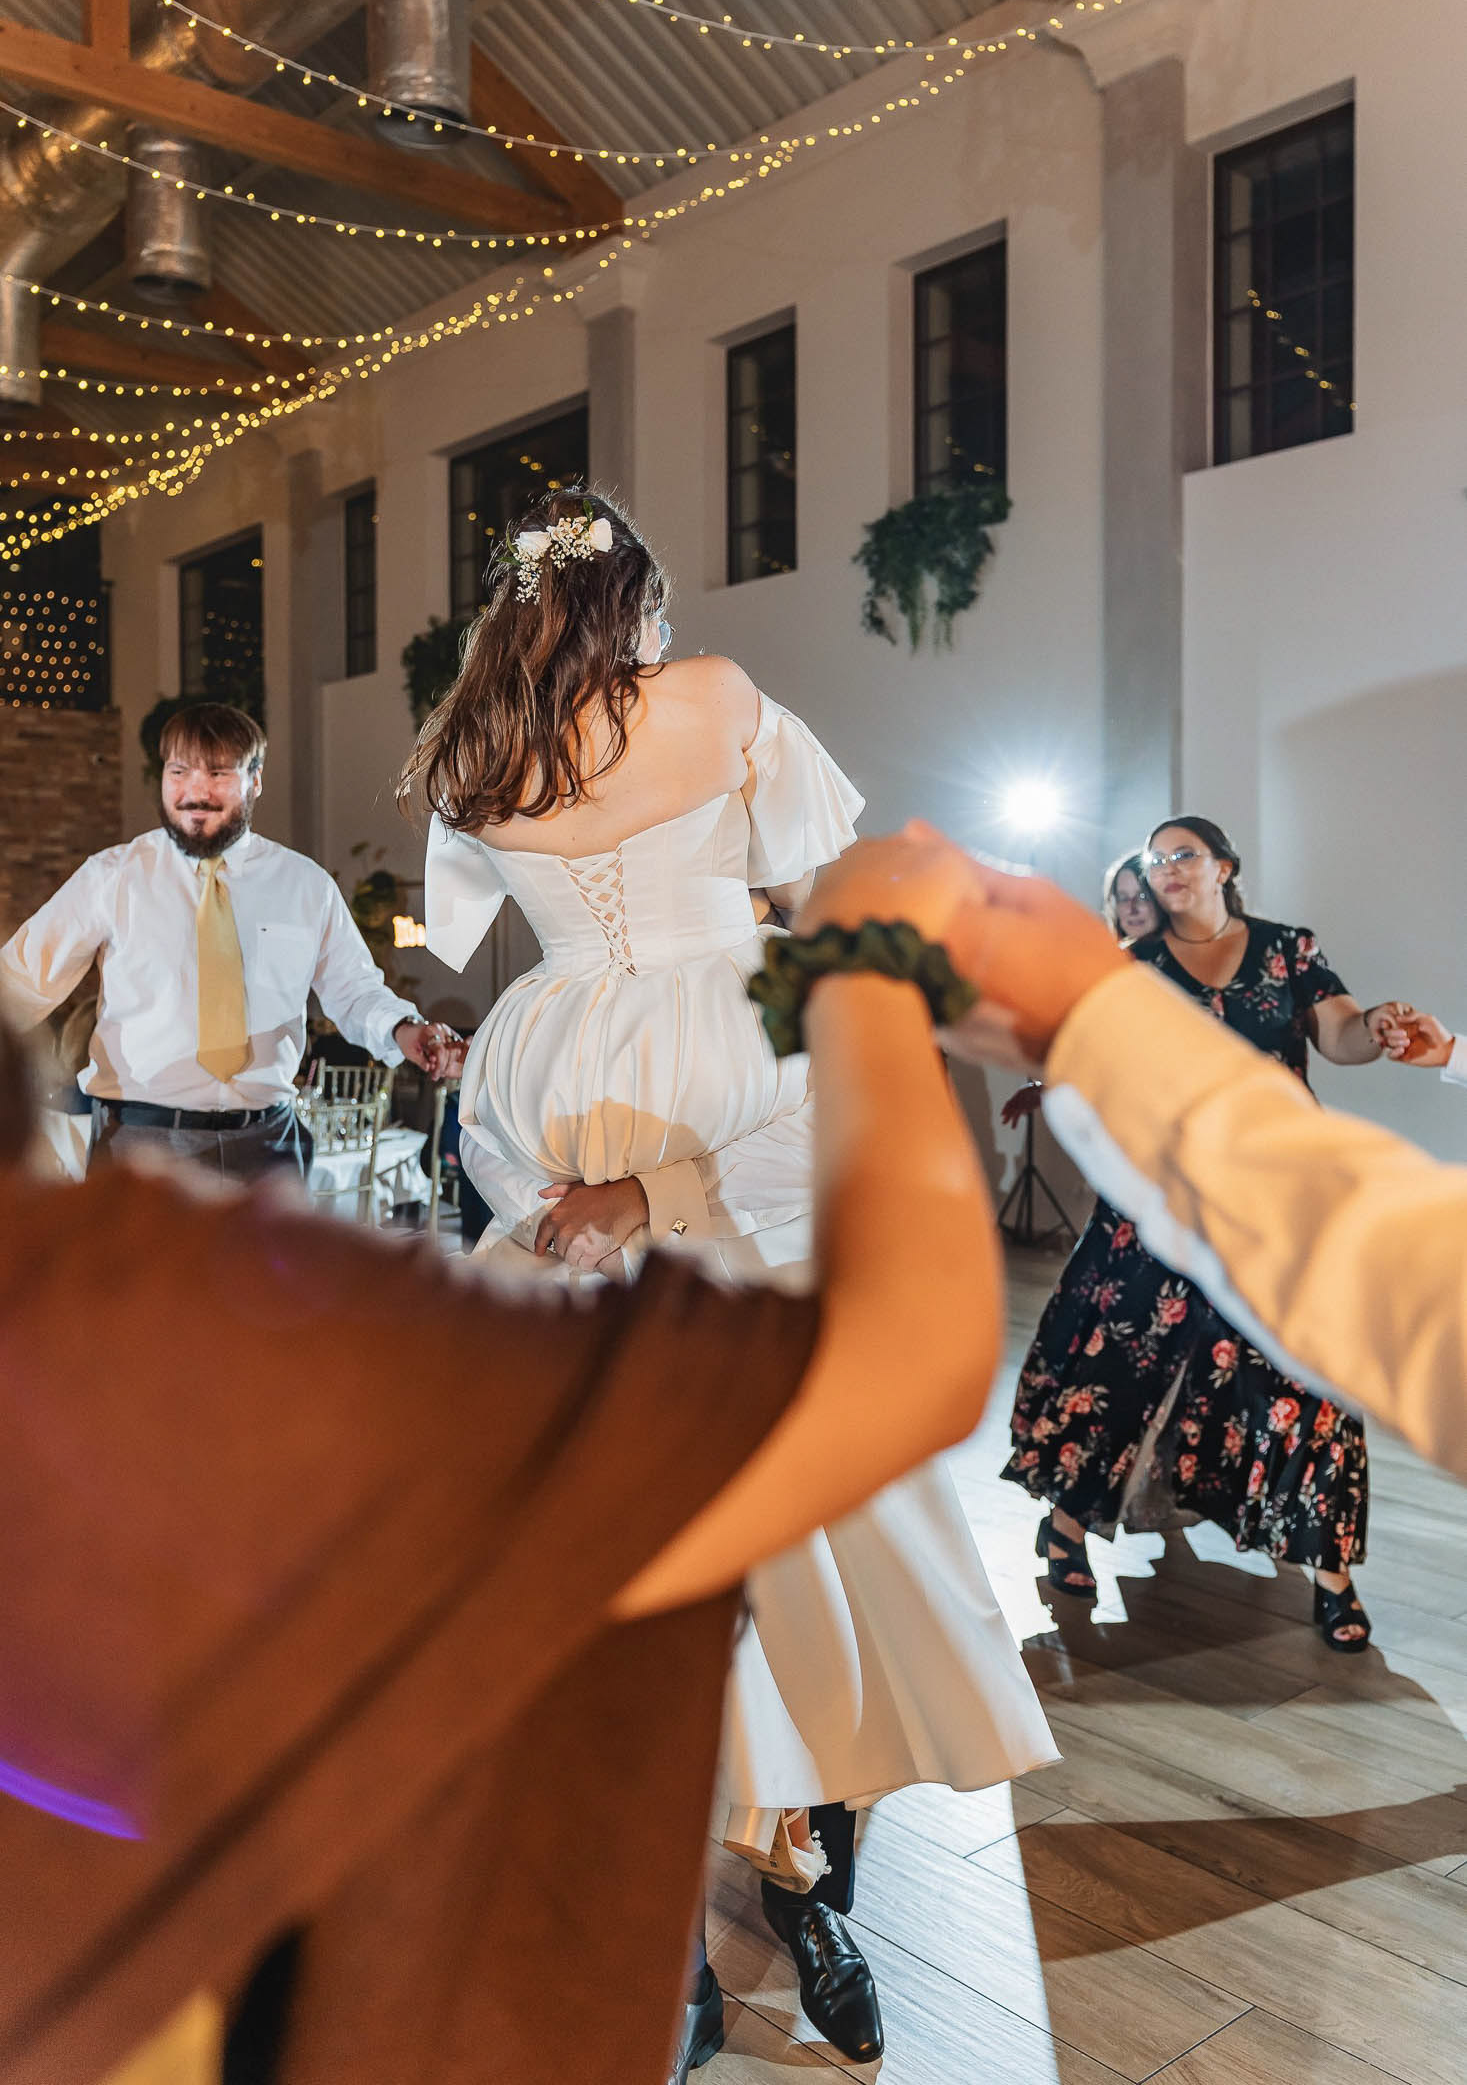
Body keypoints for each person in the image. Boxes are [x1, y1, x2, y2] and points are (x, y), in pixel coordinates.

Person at [0, 828, 1002, 2085]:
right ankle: (680, 1959)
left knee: (822, 1632)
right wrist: (873, 997)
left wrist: (660, 1182)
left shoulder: (746, 989)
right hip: (607, 1315)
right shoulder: (258, 1329)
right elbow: (905, 1354)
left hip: (722, 1268)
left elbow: (361, 995)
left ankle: (807, 1903)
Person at [401, 488, 1055, 2074]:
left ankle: (780, 1903)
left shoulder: (470, 749)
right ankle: (708, 1930)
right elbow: (815, 892)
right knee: (793, 1560)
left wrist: (596, 1198)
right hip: (712, 1069)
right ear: (633, 596)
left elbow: (495, 1117)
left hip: (559, 1072)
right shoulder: (707, 697)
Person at [1002, 814, 1413, 1653]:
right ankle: (1066, 1526)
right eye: (1155, 859)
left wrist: (1372, 1025)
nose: (1166, 868)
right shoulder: (1130, 969)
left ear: (1223, 866)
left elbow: (1337, 1035)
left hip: (1274, 1199)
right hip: (1160, 1200)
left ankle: (1330, 1572)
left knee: (1303, 1376)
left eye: (1182, 854)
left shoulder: (1287, 950)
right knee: (1116, 1363)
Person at [0, 702, 452, 1182]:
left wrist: (405, 1029)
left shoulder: (306, 886)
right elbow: (20, 980)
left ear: (255, 780)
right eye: (179, 772)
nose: (196, 792)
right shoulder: (111, 877)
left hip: (268, 1146)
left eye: (218, 773)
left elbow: (354, 991)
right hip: (138, 1145)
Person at [999, 850, 1161, 1132]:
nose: (1132, 907)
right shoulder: (1111, 965)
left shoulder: (1177, 966)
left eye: (1143, 896)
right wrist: (1046, 1087)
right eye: (1123, 898)